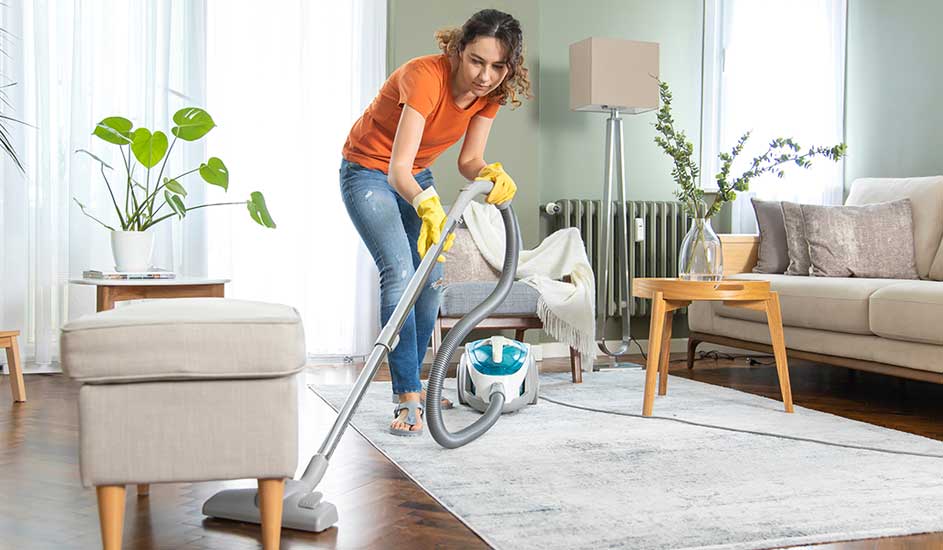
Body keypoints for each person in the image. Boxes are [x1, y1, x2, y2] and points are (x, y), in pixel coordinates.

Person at [340, 8, 532, 436]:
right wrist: (427, 204)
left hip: (415, 174)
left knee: (432, 277)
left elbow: (468, 161)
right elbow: (396, 170)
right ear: (458, 50)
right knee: (401, 273)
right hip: (368, 172)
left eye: (498, 66)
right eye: (477, 61)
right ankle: (406, 393)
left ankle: (420, 381)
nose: (485, 76)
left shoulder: (490, 94)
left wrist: (491, 173)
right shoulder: (424, 77)